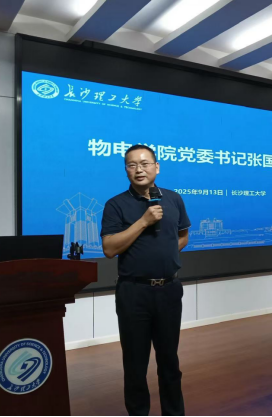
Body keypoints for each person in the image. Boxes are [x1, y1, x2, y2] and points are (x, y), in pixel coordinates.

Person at [101, 144, 191, 416]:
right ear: (126, 170)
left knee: (170, 362)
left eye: (144, 163)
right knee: (135, 365)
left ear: (157, 167)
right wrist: (143, 221)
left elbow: (183, 236)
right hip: (134, 293)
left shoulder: (174, 199)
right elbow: (109, 249)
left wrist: (163, 254)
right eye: (132, 165)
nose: (138, 169)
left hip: (169, 290)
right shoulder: (115, 204)